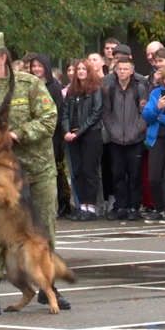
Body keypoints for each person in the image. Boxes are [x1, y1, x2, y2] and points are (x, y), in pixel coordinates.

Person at [0, 32, 65, 315]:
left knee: (44, 228)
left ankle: (49, 288)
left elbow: (49, 119)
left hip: (36, 166)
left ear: (3, 59)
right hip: (0, 174)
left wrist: (19, 133)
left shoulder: (29, 84)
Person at [101, 57, 148, 221]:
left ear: (132, 70)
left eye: (125, 69)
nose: (122, 72)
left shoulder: (139, 89)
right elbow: (106, 113)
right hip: (116, 140)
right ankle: (120, 206)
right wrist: (112, 130)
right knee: (118, 174)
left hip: (135, 139)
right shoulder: (110, 89)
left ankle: (134, 206)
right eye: (119, 69)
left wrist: (137, 130)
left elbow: (144, 113)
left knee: (135, 175)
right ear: (115, 70)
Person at [62, 59, 104, 222]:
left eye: (83, 69)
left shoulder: (96, 89)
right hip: (72, 136)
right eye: (77, 69)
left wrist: (79, 132)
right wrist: (66, 131)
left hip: (90, 135)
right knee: (77, 172)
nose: (80, 72)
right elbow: (65, 112)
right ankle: (82, 206)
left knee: (90, 171)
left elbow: (96, 113)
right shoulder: (72, 91)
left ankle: (91, 207)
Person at [30, 53, 71, 217]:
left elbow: (57, 113)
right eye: (34, 66)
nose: (36, 69)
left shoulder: (54, 88)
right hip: (33, 135)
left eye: (40, 66)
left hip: (52, 135)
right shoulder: (30, 86)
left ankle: (63, 202)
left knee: (55, 171)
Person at [142, 64, 165, 224]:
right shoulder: (156, 93)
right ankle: (159, 208)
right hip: (156, 138)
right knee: (154, 177)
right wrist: (158, 108)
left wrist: (159, 117)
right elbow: (146, 115)